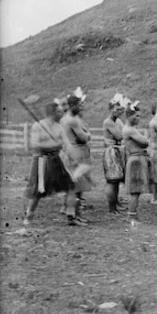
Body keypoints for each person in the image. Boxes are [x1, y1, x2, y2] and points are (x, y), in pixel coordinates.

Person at [23, 102, 75, 226]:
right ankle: (29, 216)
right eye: (59, 112)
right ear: (52, 113)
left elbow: (66, 143)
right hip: (41, 161)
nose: (62, 114)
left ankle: (70, 215)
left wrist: (72, 154)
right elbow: (35, 145)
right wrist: (53, 145)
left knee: (70, 186)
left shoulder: (59, 127)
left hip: (56, 160)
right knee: (38, 191)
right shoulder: (38, 126)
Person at [61, 90, 93, 223]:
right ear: (72, 105)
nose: (81, 108)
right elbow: (83, 137)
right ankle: (72, 215)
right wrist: (88, 134)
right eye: (79, 105)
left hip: (70, 152)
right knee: (76, 187)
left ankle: (74, 213)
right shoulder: (72, 120)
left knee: (75, 186)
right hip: (76, 153)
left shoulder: (65, 118)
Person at [122, 103, 151, 224]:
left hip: (137, 159)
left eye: (140, 116)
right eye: (136, 116)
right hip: (135, 160)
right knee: (135, 190)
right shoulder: (129, 130)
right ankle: (131, 215)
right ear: (129, 116)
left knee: (137, 190)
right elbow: (145, 142)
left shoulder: (132, 129)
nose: (138, 119)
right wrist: (146, 137)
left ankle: (133, 214)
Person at [102, 95, 126, 215]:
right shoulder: (108, 122)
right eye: (117, 110)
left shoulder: (116, 121)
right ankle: (112, 207)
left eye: (121, 110)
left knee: (117, 180)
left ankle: (116, 203)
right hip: (111, 152)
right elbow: (120, 136)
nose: (119, 112)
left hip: (117, 150)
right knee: (112, 180)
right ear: (111, 109)